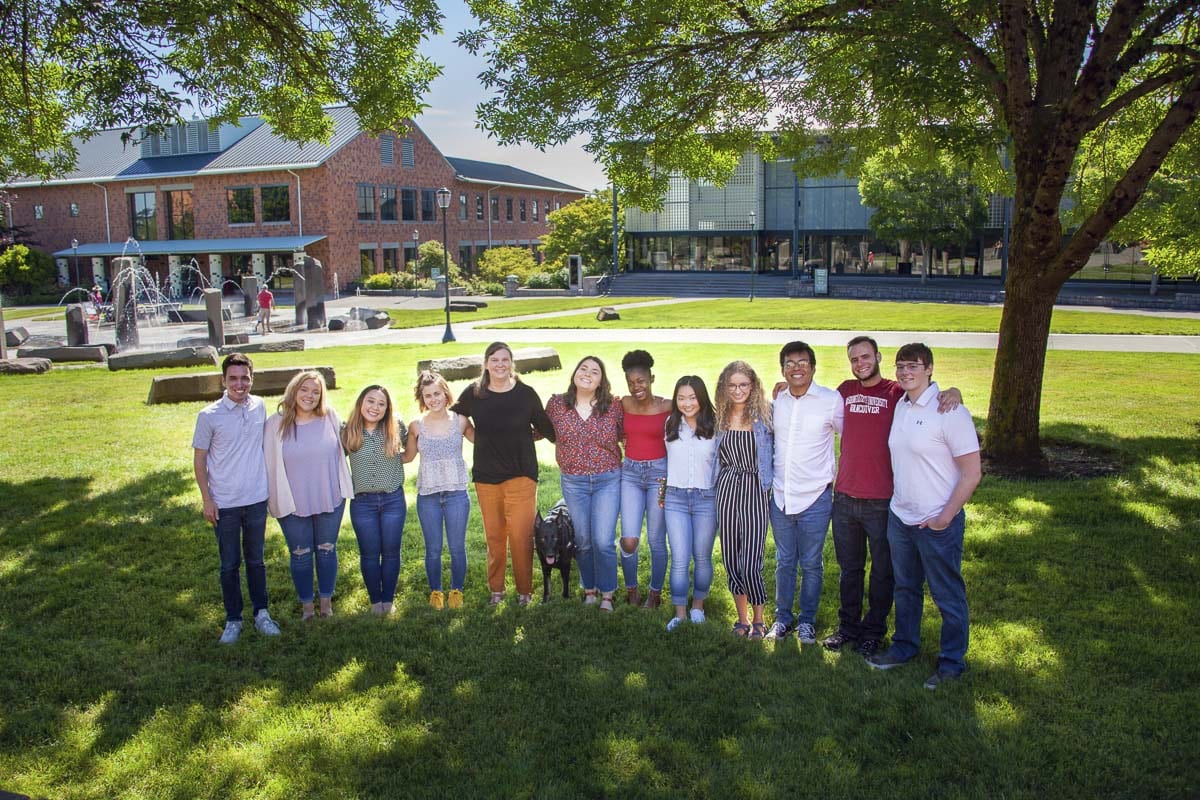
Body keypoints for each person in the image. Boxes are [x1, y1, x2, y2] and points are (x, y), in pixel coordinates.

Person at [822, 336, 960, 658]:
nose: (860, 363)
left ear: (878, 357)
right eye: (854, 359)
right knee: (850, 569)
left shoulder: (896, 392)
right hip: (844, 498)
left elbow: (928, 393)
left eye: (865, 357)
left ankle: (873, 631)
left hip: (882, 501)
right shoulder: (844, 391)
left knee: (883, 571)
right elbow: (815, 400)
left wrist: (953, 392)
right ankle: (848, 627)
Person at [867, 343, 981, 690]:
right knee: (906, 588)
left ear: (930, 368)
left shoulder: (950, 411)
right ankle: (904, 647)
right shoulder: (901, 405)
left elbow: (972, 473)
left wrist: (945, 517)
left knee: (947, 594)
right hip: (901, 517)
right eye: (901, 366)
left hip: (936, 522)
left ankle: (951, 662)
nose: (905, 372)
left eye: (913, 366)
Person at [451, 342, 556, 607]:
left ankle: (524, 591)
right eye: (494, 360)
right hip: (486, 476)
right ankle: (496, 590)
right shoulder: (474, 393)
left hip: (522, 475)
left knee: (521, 537)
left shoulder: (526, 394)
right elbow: (456, 426)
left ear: (512, 363)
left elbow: (547, 428)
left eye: (505, 360)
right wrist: (479, 438)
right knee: (495, 537)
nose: (500, 364)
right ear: (485, 364)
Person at [192, 353, 281, 644]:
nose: (239, 384)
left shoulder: (259, 407)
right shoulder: (208, 416)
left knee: (256, 561)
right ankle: (233, 619)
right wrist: (207, 499)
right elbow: (200, 460)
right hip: (225, 504)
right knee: (229, 564)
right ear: (223, 380)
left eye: (245, 378)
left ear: (251, 379)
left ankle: (262, 613)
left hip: (256, 498)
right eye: (233, 378)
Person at [765, 341, 843, 644]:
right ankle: (782, 618)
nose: (796, 368)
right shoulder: (776, 402)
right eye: (790, 363)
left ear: (813, 366)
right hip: (781, 496)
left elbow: (853, 434)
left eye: (802, 362)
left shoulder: (830, 400)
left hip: (815, 497)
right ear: (782, 368)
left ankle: (807, 620)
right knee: (785, 561)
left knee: (811, 562)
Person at [265, 370, 354, 620]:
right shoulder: (275, 424)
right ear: (293, 390)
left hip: (330, 497)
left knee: (327, 550)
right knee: (301, 554)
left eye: (316, 391)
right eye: (304, 389)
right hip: (292, 502)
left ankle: (326, 603)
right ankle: (307, 608)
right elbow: (268, 463)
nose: (309, 395)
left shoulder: (330, 417)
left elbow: (348, 446)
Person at [546, 355, 625, 611]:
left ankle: (608, 594)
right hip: (574, 482)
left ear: (602, 381)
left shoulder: (613, 406)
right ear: (574, 373)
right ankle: (589, 589)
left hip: (608, 479)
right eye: (583, 368)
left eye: (595, 371)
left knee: (603, 540)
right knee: (583, 540)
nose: (588, 373)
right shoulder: (557, 404)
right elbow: (537, 430)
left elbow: (628, 435)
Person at [714, 360, 774, 639]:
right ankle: (742, 619)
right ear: (724, 388)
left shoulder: (767, 415)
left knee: (751, 560)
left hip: (754, 488)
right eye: (733, 385)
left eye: (744, 385)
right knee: (731, 558)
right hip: (726, 488)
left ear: (753, 386)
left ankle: (760, 619)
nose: (738, 390)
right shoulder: (718, 418)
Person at [406, 371, 474, 610]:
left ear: (446, 393)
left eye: (437, 393)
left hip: (456, 493)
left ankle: (457, 590)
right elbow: (408, 456)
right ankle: (436, 591)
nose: (433, 399)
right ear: (422, 399)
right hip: (429, 497)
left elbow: (484, 440)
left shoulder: (461, 421)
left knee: (457, 547)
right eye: (428, 396)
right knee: (433, 549)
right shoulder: (416, 426)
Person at [342, 384, 408, 616]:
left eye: (381, 404)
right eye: (371, 401)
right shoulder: (348, 430)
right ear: (361, 402)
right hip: (363, 503)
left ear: (387, 409)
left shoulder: (395, 427)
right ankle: (375, 601)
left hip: (392, 500)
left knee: (390, 551)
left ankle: (388, 600)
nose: (375, 407)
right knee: (369, 553)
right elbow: (334, 462)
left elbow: (409, 453)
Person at [663, 376, 719, 631]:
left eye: (692, 397)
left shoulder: (716, 424)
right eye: (681, 398)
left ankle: (698, 606)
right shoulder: (670, 424)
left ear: (702, 398)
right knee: (680, 558)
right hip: (675, 498)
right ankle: (680, 612)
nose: (687, 403)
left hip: (706, 498)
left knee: (702, 556)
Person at [618, 350, 672, 607]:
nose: (636, 386)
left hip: (659, 477)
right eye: (631, 382)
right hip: (629, 474)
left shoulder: (667, 406)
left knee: (655, 539)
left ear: (651, 378)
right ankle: (631, 590)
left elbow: (702, 409)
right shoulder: (623, 404)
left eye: (641, 380)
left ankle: (655, 593)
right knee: (629, 539)